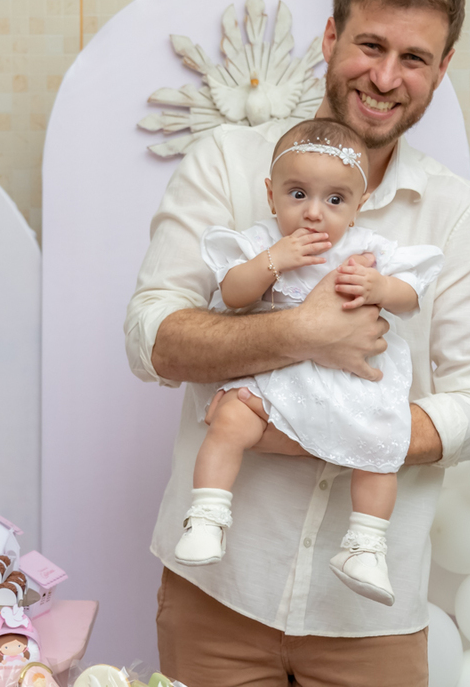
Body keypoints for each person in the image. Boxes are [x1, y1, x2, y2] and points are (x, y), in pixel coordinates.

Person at [125, 0, 470, 687]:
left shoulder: (456, 213)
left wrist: (337, 429)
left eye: (414, 57)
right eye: (370, 45)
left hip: (369, 620)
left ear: (442, 68)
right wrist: (301, 332)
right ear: (331, 38)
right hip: (218, 594)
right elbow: (153, 339)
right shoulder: (228, 162)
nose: (386, 77)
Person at [175, 117, 444, 610]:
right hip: (277, 375)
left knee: (382, 446)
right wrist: (273, 261)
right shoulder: (260, 241)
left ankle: (366, 546)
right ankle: (207, 515)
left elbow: (410, 294)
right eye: (297, 194)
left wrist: (382, 287)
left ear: (359, 206)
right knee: (232, 417)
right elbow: (232, 294)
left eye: (335, 200)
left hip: (347, 382)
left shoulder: (366, 250)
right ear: (271, 194)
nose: (314, 213)